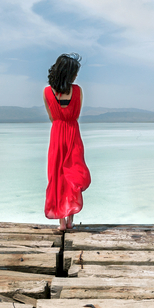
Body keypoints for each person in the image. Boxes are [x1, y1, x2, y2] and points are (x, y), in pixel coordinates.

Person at [43, 53, 91, 229]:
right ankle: (69, 219)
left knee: (57, 176)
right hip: (72, 133)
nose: (76, 76)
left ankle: (62, 222)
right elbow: (76, 113)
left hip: (56, 134)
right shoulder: (77, 91)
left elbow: (51, 117)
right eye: (74, 72)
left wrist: (60, 121)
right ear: (68, 73)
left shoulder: (47, 92)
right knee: (73, 174)